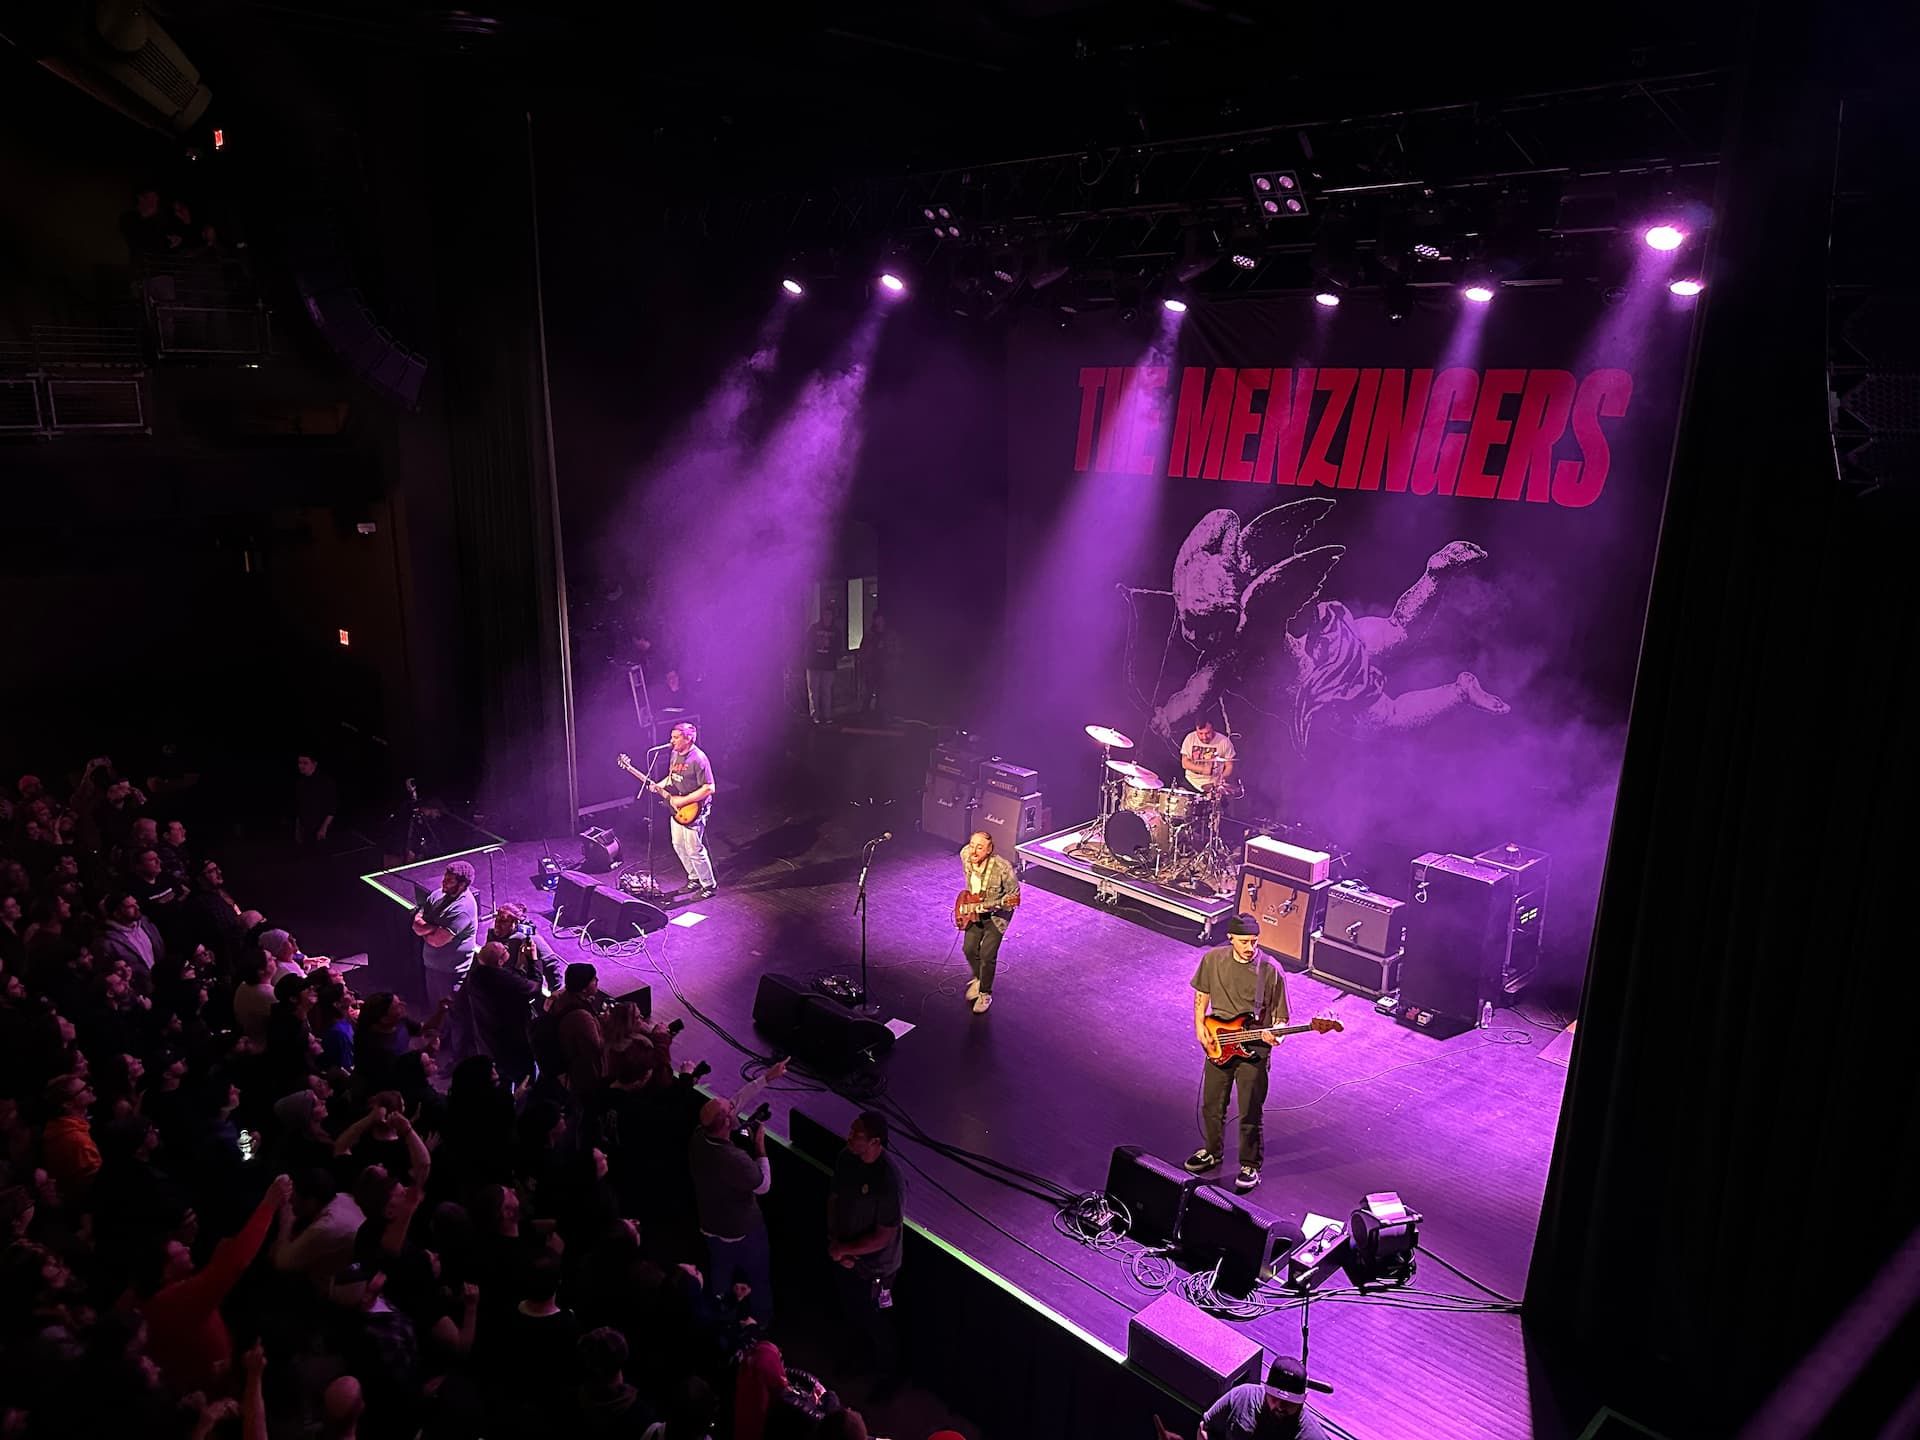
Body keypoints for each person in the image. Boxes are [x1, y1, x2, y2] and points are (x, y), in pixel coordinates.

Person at [1188, 914, 1290, 1194]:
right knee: (1211, 1105)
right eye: (1244, 941)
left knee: (1249, 1110)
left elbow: (1281, 1019)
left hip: (1254, 1046)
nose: (1250, 947)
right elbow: (1202, 992)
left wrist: (1276, 1035)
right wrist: (1199, 1025)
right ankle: (1212, 1151)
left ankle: (1250, 1165)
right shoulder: (1213, 960)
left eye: (1254, 941)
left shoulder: (1271, 970)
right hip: (1219, 1039)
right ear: (1230, 938)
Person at [686, 1060, 789, 1330]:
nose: (733, 1105)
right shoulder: (734, 1159)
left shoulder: (699, 1136)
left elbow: (732, 1106)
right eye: (730, 1109)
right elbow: (764, 1185)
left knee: (720, 1273)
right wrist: (760, 1147)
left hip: (709, 1225)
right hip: (742, 1230)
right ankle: (759, 1324)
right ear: (726, 1125)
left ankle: (720, 1316)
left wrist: (766, 1078)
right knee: (758, 1275)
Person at [826, 1110, 902, 1380]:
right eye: (851, 1131)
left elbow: (883, 1236)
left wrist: (846, 1250)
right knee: (852, 1313)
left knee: (878, 1322)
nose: (849, 1137)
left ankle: (888, 1376)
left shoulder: (888, 1180)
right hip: (844, 1258)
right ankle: (856, 1360)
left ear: (875, 1143)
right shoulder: (846, 1159)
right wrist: (837, 1242)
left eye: (857, 1135)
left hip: (876, 1271)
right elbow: (834, 1200)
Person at [1164, 1354, 1330, 1440]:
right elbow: (1204, 1428)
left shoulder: (1312, 1436)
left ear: (1302, 1401)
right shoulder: (1242, 1397)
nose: (1279, 1406)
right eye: (1273, 1397)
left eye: (1288, 1402)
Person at [956, 831, 1020, 1015]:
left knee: (987, 955)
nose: (973, 851)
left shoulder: (1003, 868)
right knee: (968, 949)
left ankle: (985, 993)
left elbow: (1013, 896)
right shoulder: (965, 855)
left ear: (990, 849)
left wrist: (994, 905)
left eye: (980, 847)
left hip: (996, 916)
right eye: (972, 844)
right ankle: (979, 978)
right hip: (973, 912)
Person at [656, 722, 717, 900]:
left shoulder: (699, 758)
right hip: (677, 808)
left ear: (688, 738)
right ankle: (694, 878)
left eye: (676, 737)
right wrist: (659, 785)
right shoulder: (674, 754)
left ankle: (709, 885)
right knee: (678, 844)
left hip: (695, 808)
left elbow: (709, 788)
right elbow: (672, 776)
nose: (671, 741)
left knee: (694, 848)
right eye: (672, 737)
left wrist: (683, 800)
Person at [412, 860, 479, 1008]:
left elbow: (436, 941)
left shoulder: (462, 909)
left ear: (462, 885)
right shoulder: (437, 895)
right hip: (432, 967)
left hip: (451, 974)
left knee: (448, 1016)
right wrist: (434, 927)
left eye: (449, 880)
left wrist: (425, 928)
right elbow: (416, 923)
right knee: (434, 1009)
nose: (444, 882)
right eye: (445, 878)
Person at [805, 602, 841, 724]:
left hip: (828, 665)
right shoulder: (814, 628)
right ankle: (815, 716)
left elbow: (838, 648)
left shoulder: (836, 631)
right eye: (825, 614)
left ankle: (827, 716)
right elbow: (807, 645)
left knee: (826, 691)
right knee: (814, 691)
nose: (827, 616)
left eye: (829, 614)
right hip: (814, 664)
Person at [1180, 718, 1237, 792]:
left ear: (1213, 729)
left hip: (1213, 785)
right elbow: (1185, 763)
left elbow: (1229, 765)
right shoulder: (1190, 738)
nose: (1204, 737)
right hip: (1190, 782)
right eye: (1200, 733)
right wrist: (1203, 769)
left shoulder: (1224, 742)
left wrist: (1222, 778)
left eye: (1207, 733)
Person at [294, 753, 339, 846]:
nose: (301, 766)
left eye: (305, 763)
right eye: (299, 762)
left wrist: (324, 827)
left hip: (320, 827)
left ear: (314, 764)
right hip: (304, 827)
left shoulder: (325, 782)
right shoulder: (301, 782)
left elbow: (332, 808)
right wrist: (298, 826)